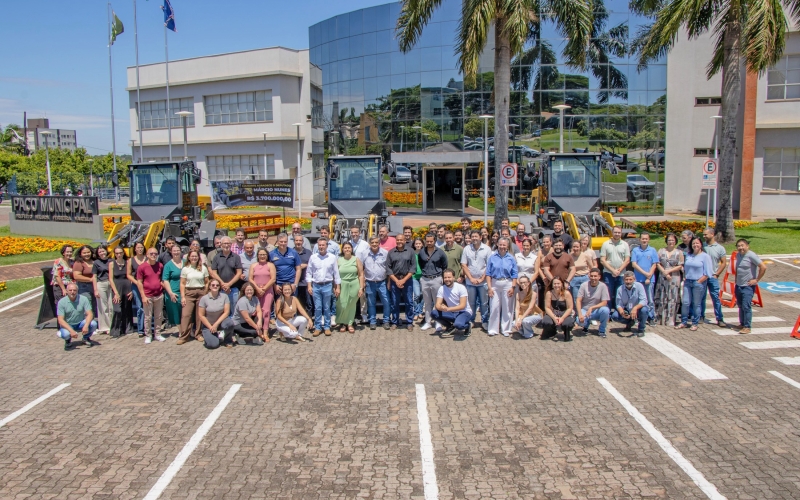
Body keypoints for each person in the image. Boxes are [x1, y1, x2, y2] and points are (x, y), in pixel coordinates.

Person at [677, 237, 714, 331]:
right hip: (688, 282)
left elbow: (708, 273)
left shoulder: (705, 256)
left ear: (701, 244)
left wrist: (699, 281)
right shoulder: (689, 255)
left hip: (698, 283)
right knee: (685, 302)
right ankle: (684, 322)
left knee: (696, 304)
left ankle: (695, 323)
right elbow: (685, 267)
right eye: (693, 243)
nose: (695, 245)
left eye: (697, 243)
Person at [307, 237, 341, 336]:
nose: (321, 247)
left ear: (327, 246)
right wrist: (309, 286)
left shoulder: (332, 257)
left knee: (326, 307)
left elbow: (336, 273)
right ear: (317, 246)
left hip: (327, 285)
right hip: (316, 286)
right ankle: (317, 327)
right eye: (320, 245)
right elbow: (309, 273)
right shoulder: (313, 257)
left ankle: (327, 327)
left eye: (323, 245)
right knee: (318, 307)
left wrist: (337, 287)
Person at [486, 237, 519, 337]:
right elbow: (488, 273)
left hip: (507, 283)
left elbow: (514, 274)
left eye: (504, 245)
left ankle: (506, 329)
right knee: (494, 306)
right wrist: (489, 287)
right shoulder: (492, 257)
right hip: (495, 283)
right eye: (500, 245)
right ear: (497, 245)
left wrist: (513, 287)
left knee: (507, 307)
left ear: (507, 246)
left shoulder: (511, 258)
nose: (502, 247)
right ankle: (493, 329)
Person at [734, 238, 766, 335]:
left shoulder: (751, 255)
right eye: (738, 246)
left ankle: (747, 326)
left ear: (747, 246)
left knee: (746, 306)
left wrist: (756, 280)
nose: (740, 248)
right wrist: (736, 279)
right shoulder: (738, 255)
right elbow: (737, 268)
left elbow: (763, 267)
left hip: (748, 286)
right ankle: (742, 323)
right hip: (739, 285)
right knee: (740, 305)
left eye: (742, 245)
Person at [461, 230, 491, 329]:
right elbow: (464, 264)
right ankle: (471, 320)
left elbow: (489, 265)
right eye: (472, 236)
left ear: (480, 237)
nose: (474, 238)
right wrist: (471, 278)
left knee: (484, 303)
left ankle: (484, 321)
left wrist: (482, 278)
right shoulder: (466, 249)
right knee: (471, 303)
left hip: (483, 282)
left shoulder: (487, 249)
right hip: (470, 282)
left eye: (476, 236)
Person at [178, 250, 209, 345]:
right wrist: (183, 297)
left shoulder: (203, 268)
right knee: (186, 315)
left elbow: (207, 282)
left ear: (198, 257)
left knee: (199, 315)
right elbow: (182, 283)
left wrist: (205, 292)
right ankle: (184, 336)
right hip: (189, 293)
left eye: (196, 256)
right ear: (189, 258)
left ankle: (198, 334)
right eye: (192, 256)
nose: (194, 258)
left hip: (201, 292)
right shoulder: (185, 269)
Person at [418, 233, 448, 331]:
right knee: (427, 303)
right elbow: (421, 264)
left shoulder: (440, 252)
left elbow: (444, 266)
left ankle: (438, 322)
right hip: (425, 279)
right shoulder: (422, 252)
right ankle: (428, 322)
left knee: (437, 302)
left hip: (436, 279)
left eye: (431, 241)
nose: (429, 243)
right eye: (427, 241)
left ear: (434, 241)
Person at [136, 248, 167, 344]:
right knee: (148, 317)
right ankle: (148, 335)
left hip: (159, 295)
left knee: (158, 316)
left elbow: (161, 279)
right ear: (147, 255)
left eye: (155, 253)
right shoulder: (142, 267)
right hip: (147, 295)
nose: (154, 255)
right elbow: (139, 282)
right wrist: (143, 296)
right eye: (151, 253)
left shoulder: (160, 266)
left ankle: (157, 334)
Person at [386, 234, 415, 331]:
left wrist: (403, 280)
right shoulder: (391, 252)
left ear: (404, 240)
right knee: (394, 302)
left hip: (407, 280)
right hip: (395, 280)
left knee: (409, 302)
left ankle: (409, 322)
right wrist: (397, 280)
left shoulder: (410, 251)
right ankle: (395, 322)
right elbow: (388, 269)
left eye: (401, 240)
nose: (399, 242)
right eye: (397, 240)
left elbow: (413, 267)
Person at [431, 269, 473, 337]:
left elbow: (462, 305)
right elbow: (437, 305)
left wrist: (448, 309)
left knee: (459, 325)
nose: (447, 279)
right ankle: (450, 327)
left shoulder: (461, 287)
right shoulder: (442, 288)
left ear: (453, 277)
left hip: (464, 312)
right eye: (445, 277)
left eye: (449, 277)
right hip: (452, 312)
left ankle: (468, 325)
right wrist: (442, 307)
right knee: (434, 313)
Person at [654, 233, 684, 326]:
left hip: (674, 277)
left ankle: (670, 320)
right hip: (662, 277)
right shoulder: (661, 251)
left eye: (672, 240)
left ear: (675, 241)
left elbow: (680, 265)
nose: (671, 242)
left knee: (672, 298)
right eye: (669, 240)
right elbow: (657, 263)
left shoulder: (679, 252)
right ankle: (660, 319)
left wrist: (669, 271)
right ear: (666, 241)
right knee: (662, 297)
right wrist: (664, 272)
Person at [57, 283, 98, 350]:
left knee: (93, 324)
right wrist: (71, 331)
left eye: (74, 290)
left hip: (80, 323)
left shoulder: (84, 299)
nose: (72, 292)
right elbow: (60, 320)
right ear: (67, 291)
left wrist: (86, 325)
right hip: (68, 325)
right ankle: (67, 341)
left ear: (77, 291)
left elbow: (90, 314)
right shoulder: (62, 302)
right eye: (70, 290)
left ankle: (85, 338)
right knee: (66, 334)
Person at [209, 237, 243, 316]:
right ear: (221, 244)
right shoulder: (216, 257)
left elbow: (239, 273)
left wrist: (229, 284)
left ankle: (234, 327)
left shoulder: (236, 257)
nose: (226, 245)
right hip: (221, 289)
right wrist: (223, 284)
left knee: (234, 310)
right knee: (222, 310)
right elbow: (214, 273)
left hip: (233, 289)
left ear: (231, 245)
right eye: (224, 243)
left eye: (228, 243)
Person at [630, 233, 659, 325]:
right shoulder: (635, 250)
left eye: (646, 239)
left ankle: (651, 317)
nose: (644, 240)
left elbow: (654, 264)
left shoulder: (652, 250)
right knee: (637, 299)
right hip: (638, 279)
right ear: (639, 240)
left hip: (649, 280)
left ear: (649, 239)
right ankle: (637, 317)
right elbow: (634, 264)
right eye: (643, 239)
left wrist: (649, 275)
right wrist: (645, 273)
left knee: (650, 299)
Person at [197, 279, 235, 349]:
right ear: (209, 287)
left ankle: (228, 340)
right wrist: (211, 327)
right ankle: (214, 336)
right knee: (213, 345)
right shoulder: (204, 299)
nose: (215, 286)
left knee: (230, 323)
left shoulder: (224, 296)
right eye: (213, 285)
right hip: (208, 325)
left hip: (220, 323)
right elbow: (201, 315)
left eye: (217, 285)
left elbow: (226, 312)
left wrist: (216, 324)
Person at [362, 236, 390, 330]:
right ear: (370, 243)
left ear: (379, 243)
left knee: (386, 302)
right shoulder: (364, 253)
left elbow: (389, 268)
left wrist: (389, 282)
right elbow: (361, 269)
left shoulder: (385, 253)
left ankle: (386, 321)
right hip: (370, 282)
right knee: (371, 303)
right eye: (372, 242)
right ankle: (372, 321)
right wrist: (363, 283)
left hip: (382, 282)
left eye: (376, 242)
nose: (374, 244)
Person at [599, 226, 630, 310]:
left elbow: (627, 260)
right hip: (608, 273)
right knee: (608, 293)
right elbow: (602, 260)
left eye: (618, 232)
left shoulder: (625, 244)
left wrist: (619, 270)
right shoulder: (606, 244)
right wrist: (613, 270)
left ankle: (618, 312)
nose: (617, 234)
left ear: (621, 233)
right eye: (615, 232)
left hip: (621, 274)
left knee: (620, 293)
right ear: (612, 233)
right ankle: (607, 311)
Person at [336, 241, 364, 333]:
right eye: (345, 248)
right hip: (343, 284)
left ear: (352, 249)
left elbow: (361, 274)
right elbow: (336, 276)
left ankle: (350, 323)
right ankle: (343, 323)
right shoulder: (338, 260)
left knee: (352, 305)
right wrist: (336, 287)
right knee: (343, 304)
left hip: (354, 283)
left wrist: (361, 288)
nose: (347, 249)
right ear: (342, 249)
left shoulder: (356, 259)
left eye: (349, 247)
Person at [702, 228, 728, 326]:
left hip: (712, 277)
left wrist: (717, 274)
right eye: (703, 235)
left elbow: (723, 262)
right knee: (701, 298)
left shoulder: (720, 248)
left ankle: (719, 318)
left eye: (706, 235)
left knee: (716, 298)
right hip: (702, 277)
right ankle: (701, 316)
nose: (704, 236)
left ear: (712, 234)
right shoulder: (702, 246)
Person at [248, 248, 276, 338]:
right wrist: (257, 289)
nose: (262, 256)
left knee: (266, 311)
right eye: (260, 254)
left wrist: (264, 289)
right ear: (257, 255)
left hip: (267, 291)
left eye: (264, 254)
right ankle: (257, 330)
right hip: (256, 291)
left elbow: (273, 279)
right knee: (256, 311)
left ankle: (265, 331)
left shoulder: (270, 265)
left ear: (267, 256)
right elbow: (250, 279)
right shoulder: (253, 265)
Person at [611, 271, 649, 337]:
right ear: (623, 280)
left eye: (630, 279)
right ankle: (629, 323)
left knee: (644, 310)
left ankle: (641, 329)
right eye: (626, 279)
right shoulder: (620, 289)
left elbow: (644, 301)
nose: (628, 281)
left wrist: (635, 308)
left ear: (634, 279)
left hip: (637, 309)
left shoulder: (639, 286)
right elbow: (618, 304)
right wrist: (622, 312)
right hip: (627, 310)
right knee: (615, 316)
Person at [576, 268, 611, 337]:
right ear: (589, 276)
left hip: (597, 310)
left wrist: (592, 307)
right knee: (579, 321)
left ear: (599, 277)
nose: (593, 278)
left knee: (606, 310)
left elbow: (604, 302)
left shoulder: (603, 286)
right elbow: (578, 300)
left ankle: (602, 330)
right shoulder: (584, 285)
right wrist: (580, 314)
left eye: (595, 276)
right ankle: (585, 326)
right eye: (591, 276)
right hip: (585, 310)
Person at [109, 246, 134, 338]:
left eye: (120, 253)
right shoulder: (112, 264)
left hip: (127, 287)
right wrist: (115, 293)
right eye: (117, 253)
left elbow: (130, 276)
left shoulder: (127, 262)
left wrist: (131, 290)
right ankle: (115, 329)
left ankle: (126, 328)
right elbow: (111, 279)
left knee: (127, 309)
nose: (119, 255)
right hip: (117, 287)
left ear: (123, 253)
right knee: (117, 309)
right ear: (114, 254)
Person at [541, 276, 575, 341]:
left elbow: (570, 308)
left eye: (558, 283)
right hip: (554, 312)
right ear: (552, 285)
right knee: (546, 321)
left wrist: (562, 318)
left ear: (562, 284)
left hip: (565, 313)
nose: (556, 285)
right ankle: (552, 331)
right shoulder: (549, 293)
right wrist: (554, 318)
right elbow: (547, 307)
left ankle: (566, 332)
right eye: (555, 284)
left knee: (567, 323)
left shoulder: (567, 293)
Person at [161, 244, 184, 333]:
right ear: (171, 252)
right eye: (174, 251)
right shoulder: (168, 265)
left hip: (185, 291)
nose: (176, 252)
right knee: (176, 313)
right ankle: (181, 331)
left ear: (180, 251)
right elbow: (165, 280)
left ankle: (187, 330)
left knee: (185, 312)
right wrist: (170, 293)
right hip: (174, 292)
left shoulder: (185, 262)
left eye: (177, 250)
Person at [91, 244, 113, 335]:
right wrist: (95, 289)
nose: (102, 253)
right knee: (103, 306)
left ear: (106, 251)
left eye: (103, 251)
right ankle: (105, 326)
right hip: (101, 284)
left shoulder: (111, 261)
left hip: (111, 283)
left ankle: (112, 325)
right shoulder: (96, 262)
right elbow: (94, 276)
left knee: (111, 306)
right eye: (100, 252)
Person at [127, 242, 147, 336]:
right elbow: (128, 274)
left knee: (148, 306)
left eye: (141, 247)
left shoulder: (147, 259)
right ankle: (140, 329)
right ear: (135, 249)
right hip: (136, 285)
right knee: (140, 307)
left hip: (147, 285)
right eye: (138, 247)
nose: (140, 249)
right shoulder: (131, 260)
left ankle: (148, 327)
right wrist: (136, 282)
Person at [51, 244, 75, 310]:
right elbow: (57, 276)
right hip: (60, 287)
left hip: (70, 286)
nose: (69, 253)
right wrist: (63, 289)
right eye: (67, 252)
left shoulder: (72, 262)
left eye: (71, 252)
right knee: (61, 305)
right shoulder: (58, 261)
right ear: (63, 252)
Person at [293, 234, 313, 311]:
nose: (298, 242)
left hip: (306, 282)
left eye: (300, 240)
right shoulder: (290, 252)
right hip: (294, 282)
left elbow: (312, 266)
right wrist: (299, 266)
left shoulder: (308, 253)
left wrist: (307, 265)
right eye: (296, 240)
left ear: (303, 241)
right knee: (295, 302)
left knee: (308, 303)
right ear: (294, 241)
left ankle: (309, 320)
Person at [535, 235, 553, 309]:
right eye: (544, 242)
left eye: (547, 242)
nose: (546, 244)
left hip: (552, 276)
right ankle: (542, 311)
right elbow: (538, 267)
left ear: (551, 242)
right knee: (542, 295)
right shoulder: (540, 252)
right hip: (542, 277)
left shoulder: (554, 251)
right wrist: (543, 278)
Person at [411, 238, 425, 323]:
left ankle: (420, 312)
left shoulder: (425, 253)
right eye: (416, 244)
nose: (418, 245)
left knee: (422, 295)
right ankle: (416, 312)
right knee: (416, 295)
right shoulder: (412, 253)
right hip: (414, 277)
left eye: (420, 243)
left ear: (422, 244)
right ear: (414, 245)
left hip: (423, 277)